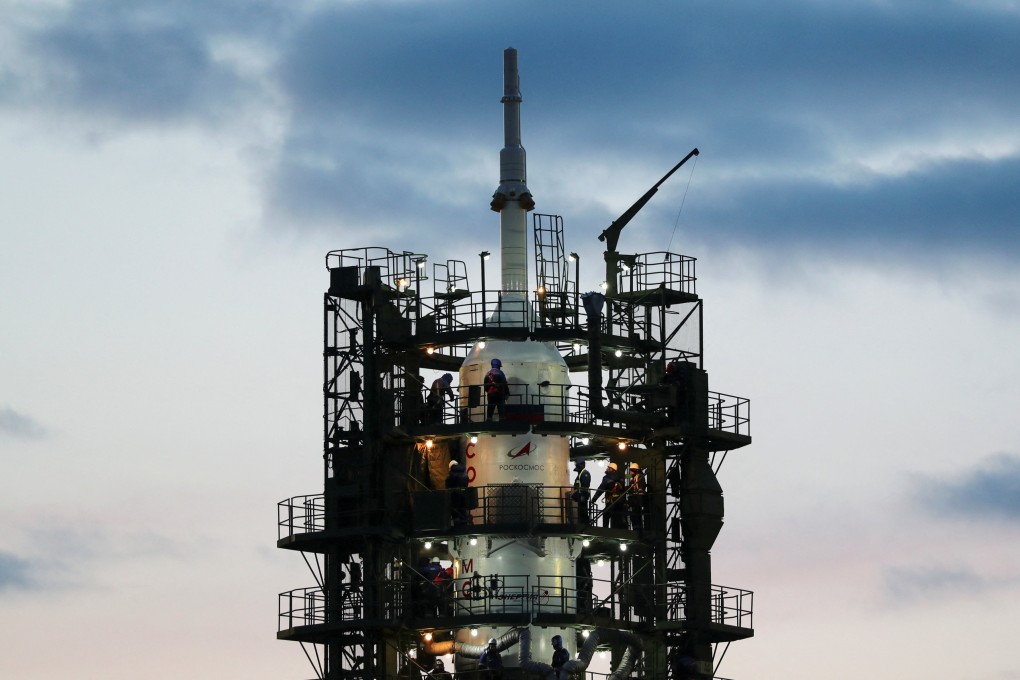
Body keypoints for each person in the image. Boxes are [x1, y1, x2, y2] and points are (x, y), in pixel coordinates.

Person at [591, 462, 626, 528]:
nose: (607, 469)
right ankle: (620, 530)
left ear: (612, 469)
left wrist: (594, 498)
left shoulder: (607, 478)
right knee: (617, 516)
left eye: (608, 468)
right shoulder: (619, 477)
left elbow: (601, 489)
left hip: (612, 501)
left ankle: (605, 530)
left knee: (606, 514)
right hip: (620, 501)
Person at [446, 459, 470, 526]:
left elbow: (448, 484)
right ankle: (464, 525)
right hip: (463, 494)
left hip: (454, 495)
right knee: (463, 510)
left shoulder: (451, 473)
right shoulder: (464, 471)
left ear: (450, 467)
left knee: (455, 511)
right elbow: (467, 480)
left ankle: (457, 528)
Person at [627, 462, 647, 531]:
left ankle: (638, 529)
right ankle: (636, 528)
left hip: (637, 499)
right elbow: (626, 476)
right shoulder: (634, 477)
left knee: (636, 514)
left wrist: (640, 492)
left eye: (631, 470)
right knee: (634, 515)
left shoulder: (639, 476)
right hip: (633, 499)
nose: (630, 472)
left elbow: (641, 486)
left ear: (635, 470)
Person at [571, 459, 591, 525]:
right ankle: (582, 523)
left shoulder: (585, 474)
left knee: (583, 511)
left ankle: (585, 524)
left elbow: (585, 486)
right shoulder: (580, 474)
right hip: (580, 496)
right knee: (581, 511)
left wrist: (582, 496)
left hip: (582, 496)